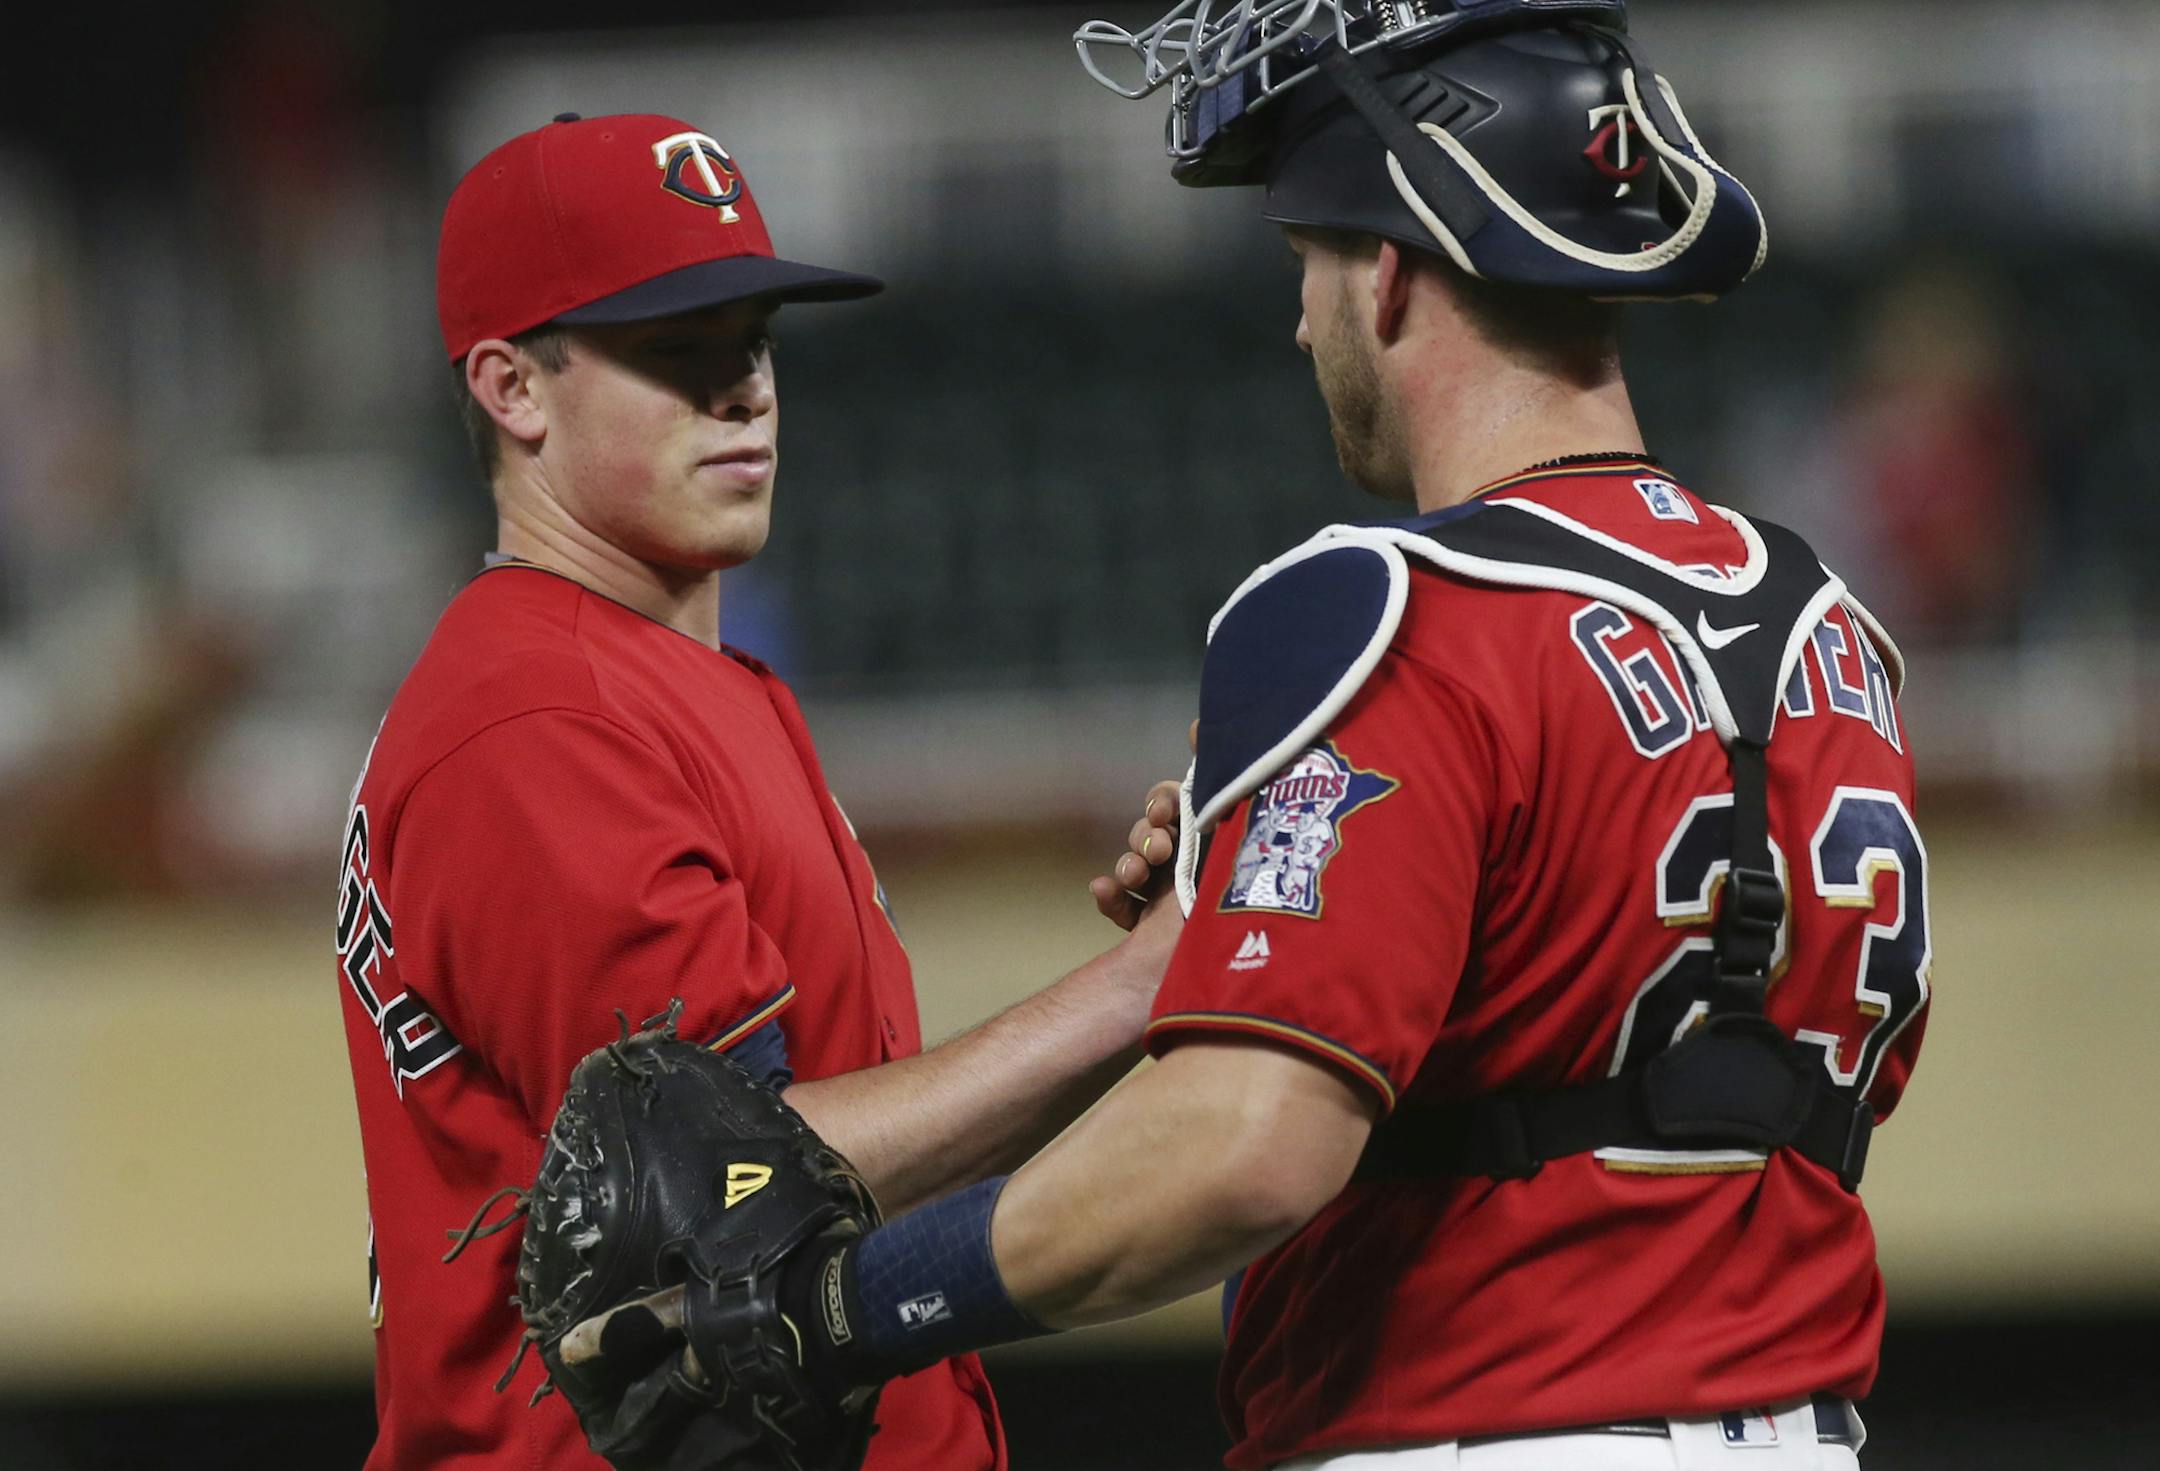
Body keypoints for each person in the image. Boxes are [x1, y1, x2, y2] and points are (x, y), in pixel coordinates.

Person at [634, 7, 1929, 1470]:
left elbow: (1242, 1147)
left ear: (1390, 271)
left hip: (1481, 1430)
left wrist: (837, 1306)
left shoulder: (1386, 605)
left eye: (1308, 263)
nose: (1301, 318)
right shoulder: (1832, 627)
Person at [333, 112, 1182, 1471]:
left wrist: (1162, 983)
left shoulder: (655, 680)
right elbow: (725, 1204)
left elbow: (846, 1174)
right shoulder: (542, 716)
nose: (744, 392)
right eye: (677, 354)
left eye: (755, 341)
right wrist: (1148, 985)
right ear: (513, 388)